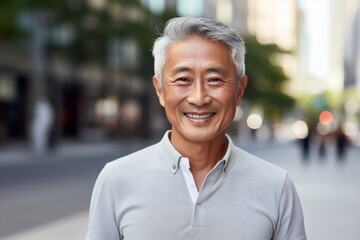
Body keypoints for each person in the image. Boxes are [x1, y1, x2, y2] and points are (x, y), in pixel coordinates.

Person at [86, 17, 306, 240]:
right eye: (183, 79)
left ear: (239, 90)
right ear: (160, 90)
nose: (199, 98)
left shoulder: (277, 186)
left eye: (214, 79)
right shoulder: (115, 180)